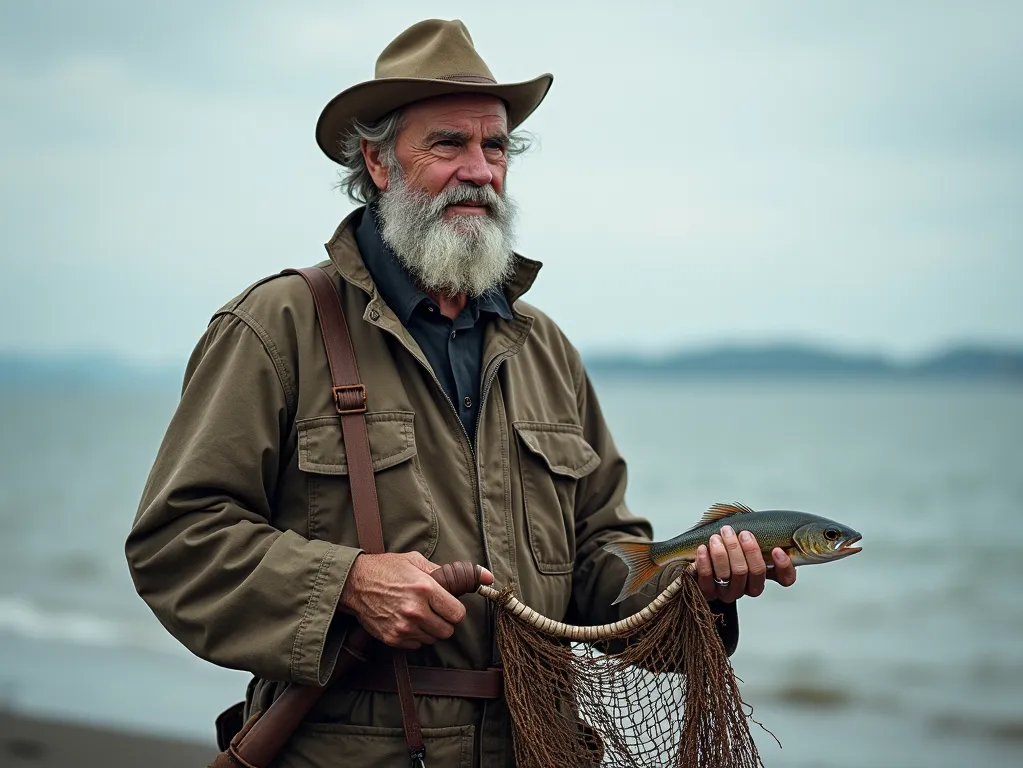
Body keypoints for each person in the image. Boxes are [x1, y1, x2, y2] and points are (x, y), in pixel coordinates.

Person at [125, 18, 797, 767]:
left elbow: (603, 563)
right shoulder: (276, 326)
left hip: (538, 749)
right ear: (378, 163)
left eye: (497, 145)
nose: (480, 168)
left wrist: (696, 589)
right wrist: (346, 582)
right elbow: (175, 543)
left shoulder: (544, 348)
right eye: (449, 144)